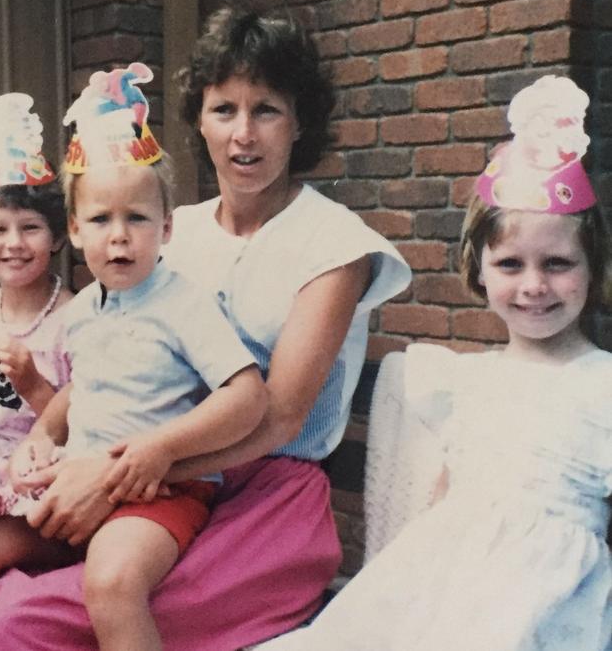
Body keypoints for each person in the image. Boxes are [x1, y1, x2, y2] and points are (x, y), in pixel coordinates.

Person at [0, 7, 411, 650]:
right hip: (144, 476)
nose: (244, 135)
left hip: (260, 497)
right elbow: (112, 360)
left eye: (268, 110)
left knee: (34, 626)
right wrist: (54, 436)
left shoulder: (333, 245)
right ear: (199, 120)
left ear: (300, 121)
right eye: (224, 109)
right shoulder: (166, 227)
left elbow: (278, 418)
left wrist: (118, 473)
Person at [256, 74, 612, 651]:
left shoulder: (602, 388)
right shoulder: (466, 383)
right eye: (511, 265)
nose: (534, 286)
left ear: (592, 268)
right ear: (479, 270)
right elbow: (444, 503)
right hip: (446, 589)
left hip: (546, 607)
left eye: (558, 263)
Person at [0, 64, 267, 651]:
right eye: (101, 220)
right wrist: (41, 438)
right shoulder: (82, 312)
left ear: (169, 228)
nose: (120, 237)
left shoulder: (185, 304)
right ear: (74, 230)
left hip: (160, 495)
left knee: (112, 580)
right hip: (81, 483)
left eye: (138, 219)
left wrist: (161, 448)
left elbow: (247, 395)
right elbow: (82, 390)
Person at [0, 93, 73, 587]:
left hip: (46, 475)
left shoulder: (77, 316)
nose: (13, 244)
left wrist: (30, 381)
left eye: (30, 228)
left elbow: (82, 425)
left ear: (56, 236)